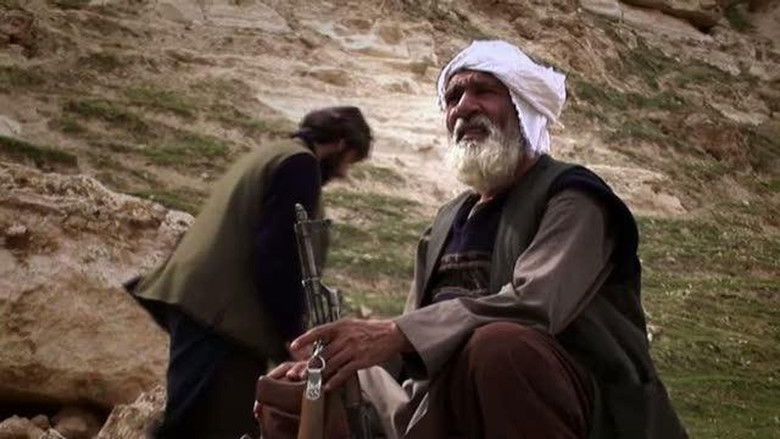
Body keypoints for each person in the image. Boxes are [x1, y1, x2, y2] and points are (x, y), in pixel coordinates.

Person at [271, 41, 687, 438]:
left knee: (500, 345)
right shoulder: (446, 222)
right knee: (302, 392)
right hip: (451, 400)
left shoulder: (573, 197)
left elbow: (535, 305)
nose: (464, 107)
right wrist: (332, 362)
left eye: (484, 91)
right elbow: (409, 343)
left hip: (588, 412)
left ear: (522, 106)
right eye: (453, 97)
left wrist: (396, 332)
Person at [125, 106, 372, 438]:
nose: (343, 173)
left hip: (208, 308)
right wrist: (293, 334)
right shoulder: (300, 165)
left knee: (196, 420)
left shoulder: (274, 153)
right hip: (223, 318)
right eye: (349, 162)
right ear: (342, 144)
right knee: (199, 426)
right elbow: (279, 253)